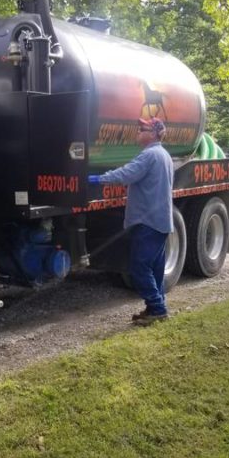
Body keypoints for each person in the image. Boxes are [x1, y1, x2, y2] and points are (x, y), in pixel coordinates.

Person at [88, 117, 174, 325]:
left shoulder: (149, 155)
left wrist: (98, 178)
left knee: (139, 267)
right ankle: (155, 306)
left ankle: (158, 309)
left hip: (148, 222)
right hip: (160, 221)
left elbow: (127, 174)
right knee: (154, 268)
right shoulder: (164, 154)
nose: (137, 132)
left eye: (141, 129)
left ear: (152, 134)